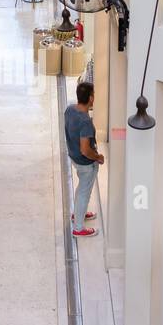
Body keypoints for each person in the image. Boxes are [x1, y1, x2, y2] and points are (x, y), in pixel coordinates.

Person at [65, 81, 103, 237]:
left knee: (81, 189)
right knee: (84, 193)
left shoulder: (69, 110)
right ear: (91, 98)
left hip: (74, 157)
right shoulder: (85, 121)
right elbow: (85, 149)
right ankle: (78, 228)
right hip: (86, 163)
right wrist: (98, 157)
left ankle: (78, 215)